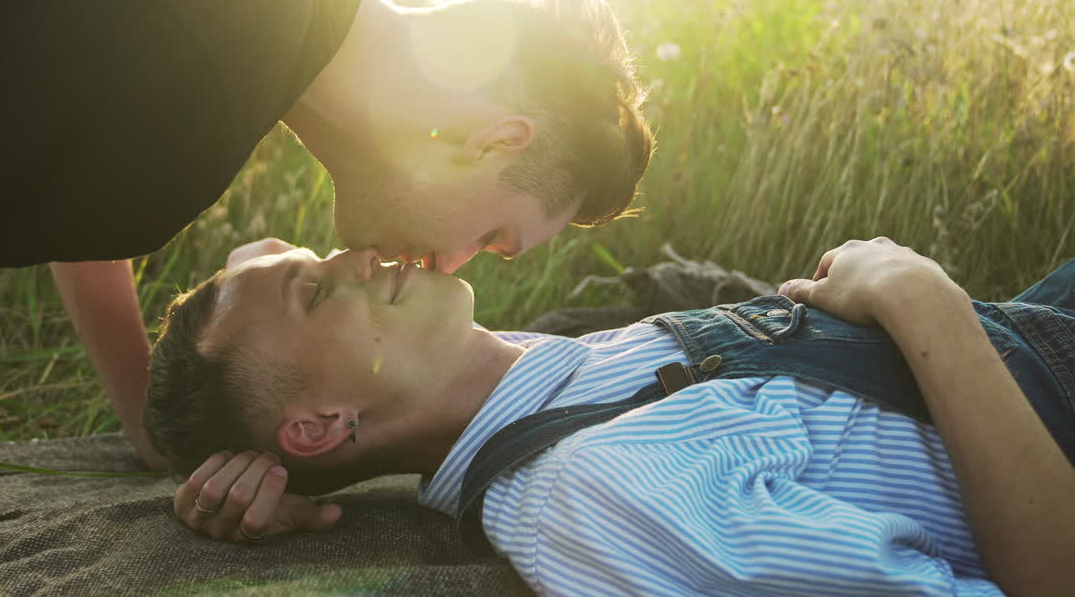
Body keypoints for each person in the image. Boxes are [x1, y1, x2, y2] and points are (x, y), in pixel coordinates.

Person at [0, 0, 653, 467]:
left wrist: (147, 419)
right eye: (494, 237)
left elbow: (80, 123)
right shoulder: (196, 86)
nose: (454, 265)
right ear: (495, 140)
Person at [142, 238, 1075, 597]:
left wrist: (248, 477)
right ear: (323, 423)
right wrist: (924, 303)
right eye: (314, 287)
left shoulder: (525, 377)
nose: (349, 252)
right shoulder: (597, 493)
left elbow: (260, 327)